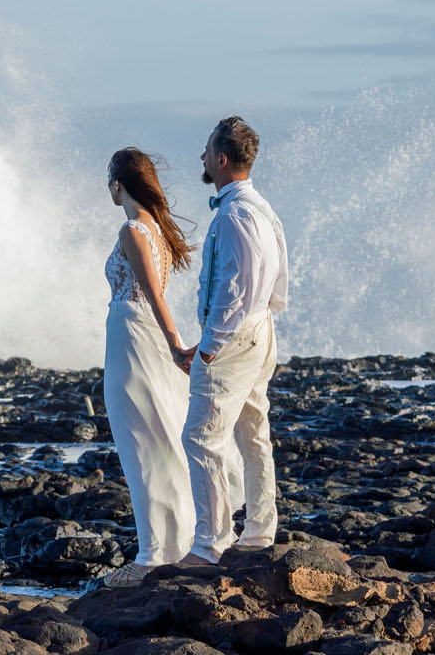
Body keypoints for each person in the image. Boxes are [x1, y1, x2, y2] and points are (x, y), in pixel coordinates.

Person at [178, 116, 289, 566]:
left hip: (236, 336)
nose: (202, 157)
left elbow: (234, 289)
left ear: (221, 160)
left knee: (201, 438)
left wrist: (210, 345)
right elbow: (274, 278)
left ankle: (210, 544)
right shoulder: (259, 206)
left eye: (207, 150)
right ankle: (260, 532)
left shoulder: (235, 214)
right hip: (259, 328)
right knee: (253, 433)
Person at [96, 147, 196, 587]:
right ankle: (172, 544)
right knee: (160, 438)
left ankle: (152, 555)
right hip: (140, 335)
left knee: (141, 441)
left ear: (118, 185)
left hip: (134, 338)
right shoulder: (157, 229)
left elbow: (154, 296)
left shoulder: (133, 230)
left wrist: (175, 346)